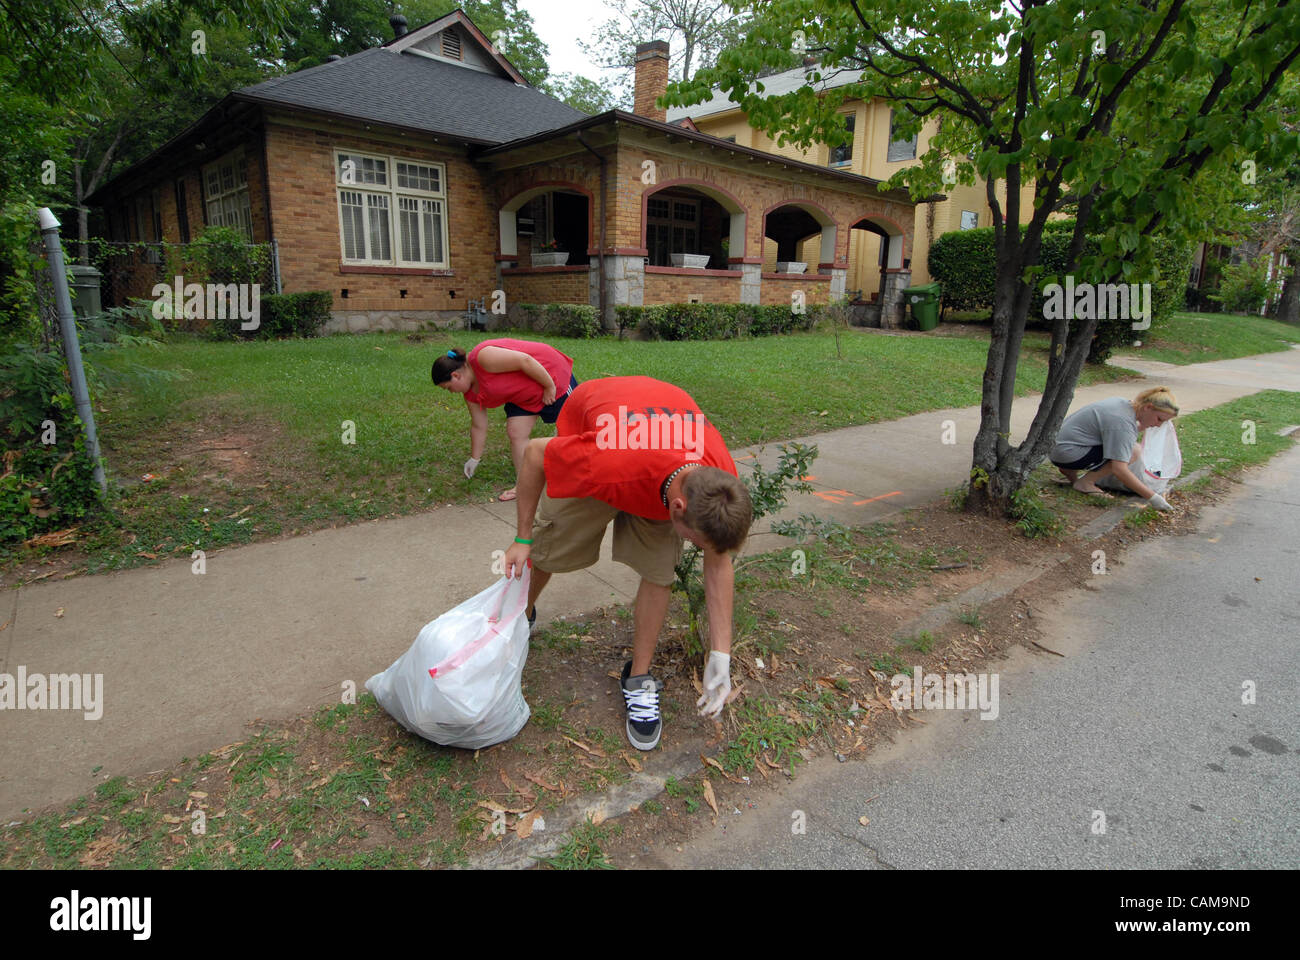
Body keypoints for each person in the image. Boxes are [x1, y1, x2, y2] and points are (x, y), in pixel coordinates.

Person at [500, 376, 753, 751]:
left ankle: (637, 678)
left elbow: (718, 564)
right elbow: (536, 453)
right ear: (678, 509)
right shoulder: (608, 459)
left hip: (656, 440)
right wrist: (521, 538)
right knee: (550, 548)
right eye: (696, 542)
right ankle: (520, 617)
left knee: (659, 572)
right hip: (605, 432)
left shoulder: (717, 482)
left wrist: (721, 653)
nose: (702, 551)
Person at [431, 339, 577, 502]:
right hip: (523, 395)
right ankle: (524, 485)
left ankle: (575, 475)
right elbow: (479, 426)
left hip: (550, 374)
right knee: (516, 432)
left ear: (455, 375)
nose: (451, 392)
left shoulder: (483, 357)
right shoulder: (470, 394)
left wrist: (549, 386)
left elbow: (525, 360)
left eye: (449, 388)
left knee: (571, 430)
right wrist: (474, 458)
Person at [1050, 386, 1179, 510]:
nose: (1158, 425)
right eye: (1159, 419)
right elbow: (1119, 469)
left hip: (1057, 448)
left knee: (1124, 447)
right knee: (1133, 451)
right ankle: (1085, 483)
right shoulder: (1122, 422)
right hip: (1067, 453)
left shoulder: (1122, 404)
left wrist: (1145, 426)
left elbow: (1120, 432)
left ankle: (1070, 472)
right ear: (1148, 407)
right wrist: (1153, 497)